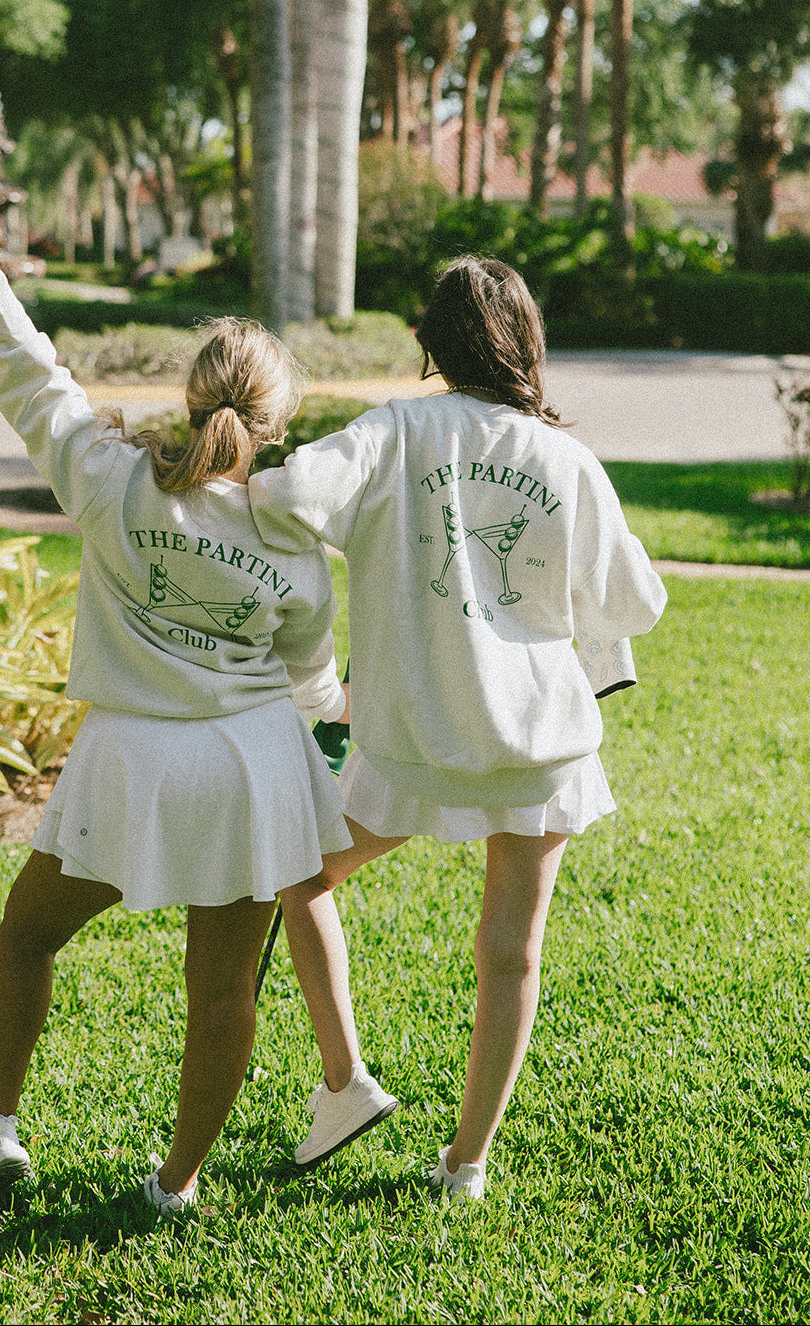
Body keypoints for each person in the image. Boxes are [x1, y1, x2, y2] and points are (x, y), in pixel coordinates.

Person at [0, 167, 364, 1217]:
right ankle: (176, 1185)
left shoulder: (110, 476)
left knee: (29, 935)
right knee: (221, 991)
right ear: (276, 422)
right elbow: (312, 687)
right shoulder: (294, 548)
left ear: (191, 391)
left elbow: (25, 369)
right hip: (249, 769)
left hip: (127, 760)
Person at [252, 256, 668, 1200]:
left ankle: (345, 1080)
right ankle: (465, 1164)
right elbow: (635, 603)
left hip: (415, 739)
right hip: (540, 748)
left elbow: (283, 497)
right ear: (528, 341)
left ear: (432, 344)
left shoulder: (395, 432)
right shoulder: (565, 459)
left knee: (299, 873)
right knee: (512, 952)